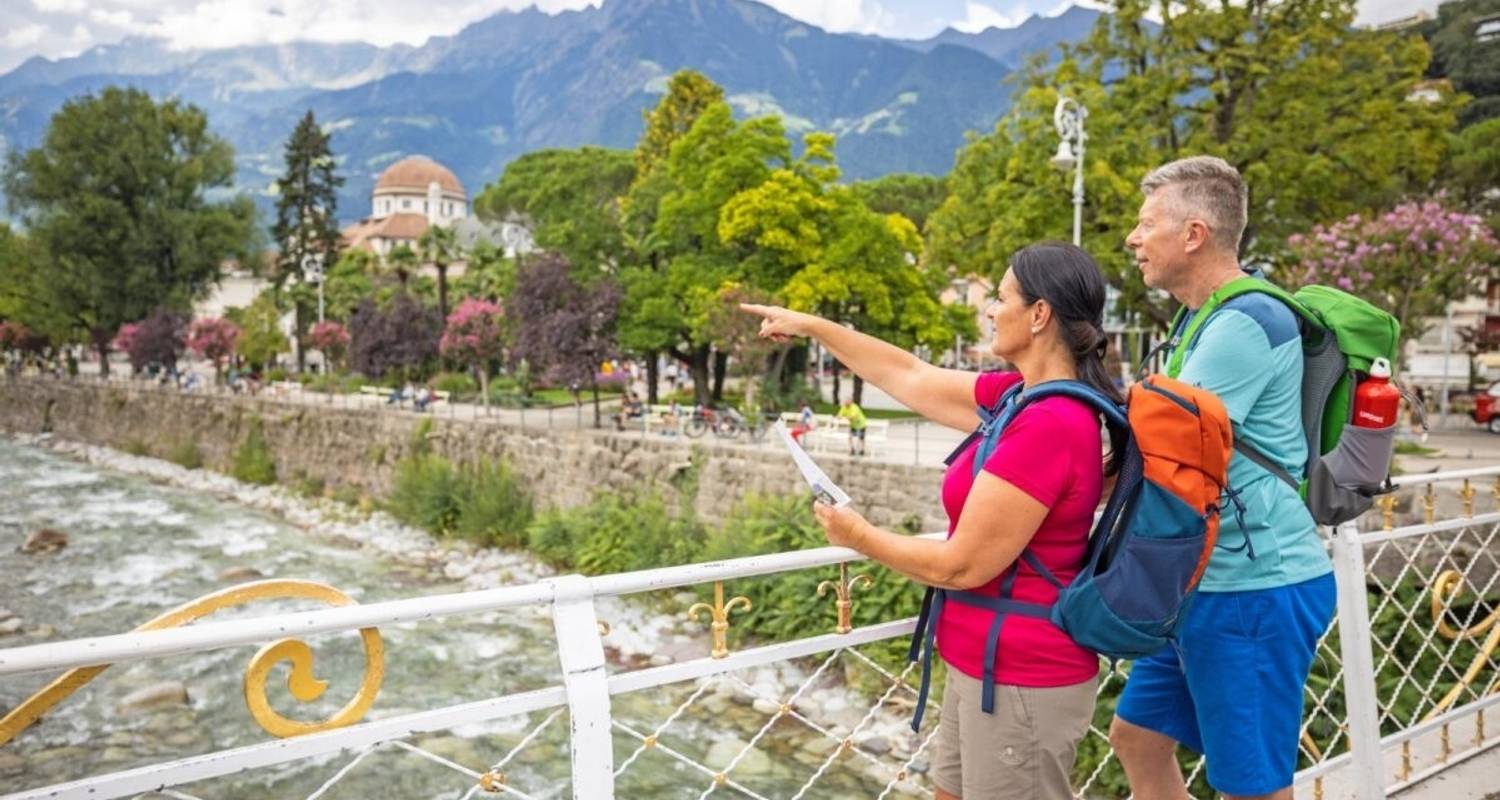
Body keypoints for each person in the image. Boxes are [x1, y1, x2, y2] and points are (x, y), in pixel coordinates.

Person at [742, 241, 1120, 800]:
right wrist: (817, 327)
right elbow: (910, 375)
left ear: (1039, 315)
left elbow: (962, 564)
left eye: (1001, 297)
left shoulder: (1052, 424)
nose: (990, 309)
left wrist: (860, 536)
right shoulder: (1019, 398)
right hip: (980, 664)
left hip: (1022, 678)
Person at [1112, 156, 1336, 800]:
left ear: (1194, 234)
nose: (1133, 237)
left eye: (1146, 223)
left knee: (1251, 785)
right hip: (1202, 583)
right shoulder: (1200, 317)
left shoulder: (1246, 322)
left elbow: (1164, 439)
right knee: (1136, 736)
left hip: (1253, 588)